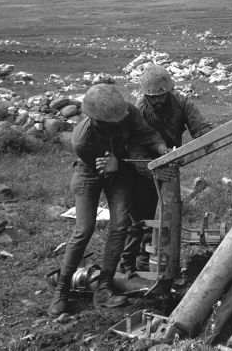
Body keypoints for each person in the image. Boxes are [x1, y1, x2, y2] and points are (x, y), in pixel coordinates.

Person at [49, 84, 169, 317]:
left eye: (118, 121)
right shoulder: (82, 140)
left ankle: (103, 290)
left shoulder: (127, 112)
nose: (116, 125)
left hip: (120, 170)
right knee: (84, 229)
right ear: (95, 119)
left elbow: (148, 134)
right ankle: (61, 292)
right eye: (109, 123)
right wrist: (116, 164)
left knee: (121, 225)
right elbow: (104, 168)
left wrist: (163, 150)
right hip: (89, 173)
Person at [119, 64, 212, 274]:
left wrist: (203, 141)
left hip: (169, 162)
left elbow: (202, 129)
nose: (159, 100)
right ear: (146, 95)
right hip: (143, 168)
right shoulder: (140, 109)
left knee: (165, 214)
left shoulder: (182, 102)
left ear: (169, 90)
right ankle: (130, 263)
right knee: (140, 216)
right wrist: (153, 170)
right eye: (153, 97)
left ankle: (155, 257)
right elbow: (135, 152)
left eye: (162, 95)